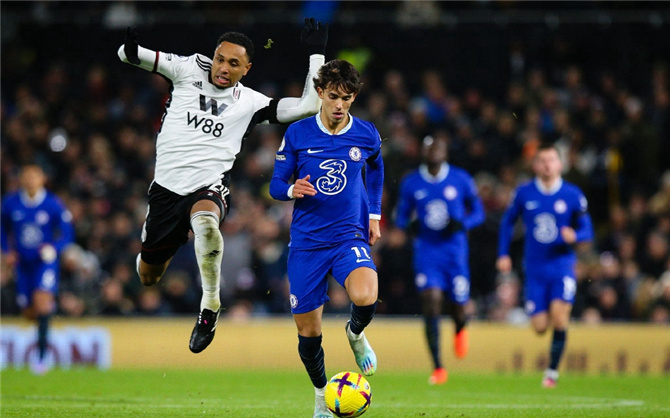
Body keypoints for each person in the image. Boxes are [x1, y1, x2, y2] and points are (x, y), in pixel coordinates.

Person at [117, 18, 328, 353]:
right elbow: (129, 55)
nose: (223, 67)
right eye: (220, 58)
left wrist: (317, 53)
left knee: (206, 224)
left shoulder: (251, 102)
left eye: (233, 63)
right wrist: (130, 49)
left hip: (208, 187)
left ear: (247, 68)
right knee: (148, 276)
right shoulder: (189, 68)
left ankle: (210, 306)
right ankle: (172, 255)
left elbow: (308, 106)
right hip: (165, 193)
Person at [269, 59, 383, 418]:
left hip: (349, 235)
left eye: (347, 98)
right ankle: (321, 396)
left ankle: (355, 333)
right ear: (319, 93)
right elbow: (275, 185)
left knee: (366, 293)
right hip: (307, 244)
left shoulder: (366, 133)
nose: (339, 105)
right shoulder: (299, 134)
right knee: (309, 331)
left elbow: (377, 168)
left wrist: (375, 214)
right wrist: (291, 189)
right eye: (333, 96)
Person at [496, 143, 594, 388]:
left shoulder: (572, 194)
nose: (548, 165)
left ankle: (551, 372)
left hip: (562, 265)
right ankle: (550, 311)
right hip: (534, 269)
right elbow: (508, 222)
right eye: (543, 160)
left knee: (560, 319)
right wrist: (503, 254)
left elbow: (587, 229)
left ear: (560, 164)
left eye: (552, 160)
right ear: (536, 165)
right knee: (540, 327)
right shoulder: (524, 192)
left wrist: (576, 236)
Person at [394, 134, 485, 385]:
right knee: (431, 301)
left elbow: (479, 212)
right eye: (429, 147)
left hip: (454, 253)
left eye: (438, 147)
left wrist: (462, 224)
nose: (434, 151)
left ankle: (460, 328)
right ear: (422, 152)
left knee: (458, 305)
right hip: (427, 252)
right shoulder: (411, 182)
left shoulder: (460, 178)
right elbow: (400, 216)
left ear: (445, 152)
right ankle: (438, 366)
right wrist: (409, 225)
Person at [1, 165, 74, 374]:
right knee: (29, 312)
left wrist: (54, 247)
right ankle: (48, 314)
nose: (30, 180)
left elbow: (67, 233)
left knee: (41, 303)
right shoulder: (11, 202)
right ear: (21, 180)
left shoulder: (53, 204)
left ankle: (42, 357)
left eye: (34, 176)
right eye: (26, 177)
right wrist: (7, 251)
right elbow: (2, 228)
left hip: (44, 262)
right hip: (22, 264)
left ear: (42, 179)